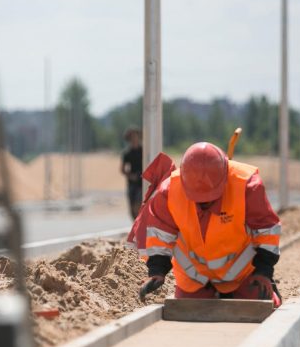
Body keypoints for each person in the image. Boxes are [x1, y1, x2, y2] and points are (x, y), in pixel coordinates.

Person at [138, 141, 282, 306]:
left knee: (262, 304)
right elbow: (160, 235)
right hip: (194, 278)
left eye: (210, 199)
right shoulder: (168, 192)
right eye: (198, 200)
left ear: (225, 179)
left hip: (243, 275)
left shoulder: (247, 185)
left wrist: (264, 270)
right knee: (189, 311)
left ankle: (260, 288)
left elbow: (267, 230)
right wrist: (157, 270)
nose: (204, 205)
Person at [120, 127, 144, 218]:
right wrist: (130, 176)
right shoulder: (127, 153)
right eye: (132, 137)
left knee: (138, 206)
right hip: (132, 183)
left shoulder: (144, 151)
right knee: (132, 209)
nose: (134, 139)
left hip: (142, 182)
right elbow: (122, 169)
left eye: (136, 136)